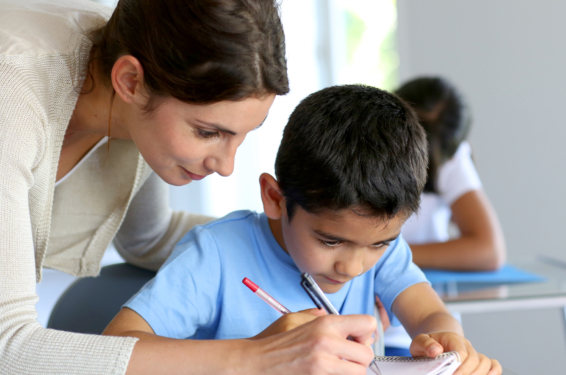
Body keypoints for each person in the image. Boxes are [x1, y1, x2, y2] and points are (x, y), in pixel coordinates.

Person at [0, 0, 379, 374]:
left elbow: (151, 237)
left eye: (239, 138)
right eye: (209, 132)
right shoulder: (4, 90)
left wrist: (341, 248)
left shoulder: (128, 100)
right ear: (130, 80)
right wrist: (255, 359)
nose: (227, 166)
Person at [103, 85, 502, 375]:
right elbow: (114, 348)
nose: (353, 267)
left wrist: (446, 342)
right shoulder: (216, 255)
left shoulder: (380, 255)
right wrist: (258, 353)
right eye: (330, 240)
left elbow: (429, 313)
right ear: (275, 198)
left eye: (379, 243)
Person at [381, 76, 508, 356]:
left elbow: (488, 251)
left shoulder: (452, 157)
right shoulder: (371, 150)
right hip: (370, 328)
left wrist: (386, 255)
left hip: (419, 329)